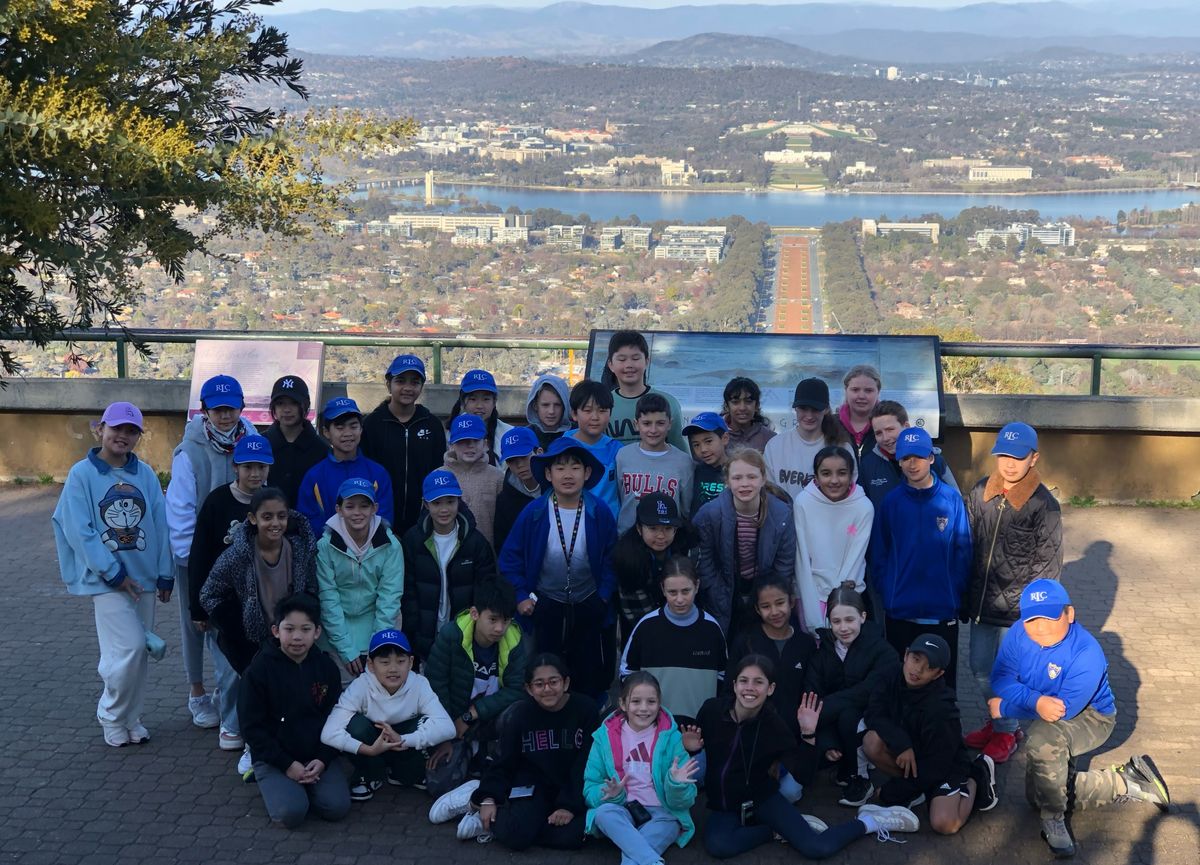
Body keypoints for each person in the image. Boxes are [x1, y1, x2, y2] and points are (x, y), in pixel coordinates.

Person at [989, 580, 1171, 857]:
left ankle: (1053, 819)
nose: (1040, 628)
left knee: (1042, 741)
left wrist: (1008, 708)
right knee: (1038, 795)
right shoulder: (1018, 633)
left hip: (1092, 716)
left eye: (1050, 618)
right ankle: (1127, 780)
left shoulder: (1088, 653)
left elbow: (1061, 712)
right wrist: (1035, 700)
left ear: (1069, 614)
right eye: (1032, 620)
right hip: (1047, 706)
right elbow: (1001, 678)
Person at [695, 656, 918, 859]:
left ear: (770, 689)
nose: (750, 688)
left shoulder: (774, 726)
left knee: (818, 848)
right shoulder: (711, 711)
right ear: (734, 685)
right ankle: (774, 831)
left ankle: (870, 821)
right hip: (725, 805)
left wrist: (808, 735)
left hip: (762, 799)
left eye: (758, 682)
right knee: (719, 845)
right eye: (744, 681)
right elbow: (691, 745)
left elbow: (803, 775)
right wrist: (691, 747)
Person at [52, 401, 173, 747]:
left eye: (131, 430)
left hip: (144, 577)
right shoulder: (82, 474)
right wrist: (111, 571)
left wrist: (165, 572)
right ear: (100, 429)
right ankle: (110, 714)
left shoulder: (145, 474)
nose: (123, 435)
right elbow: (78, 529)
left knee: (137, 655)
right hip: (107, 582)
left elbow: (160, 524)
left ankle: (131, 718)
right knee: (128, 648)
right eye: (117, 428)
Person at [200, 485, 318, 778]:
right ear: (252, 519)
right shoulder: (238, 555)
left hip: (289, 637)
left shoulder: (299, 550)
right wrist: (235, 626)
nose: (275, 523)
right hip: (253, 639)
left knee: (289, 693)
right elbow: (209, 593)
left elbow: (311, 587)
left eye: (281, 516)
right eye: (267, 517)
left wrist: (306, 619)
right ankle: (253, 747)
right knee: (258, 696)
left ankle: (288, 746)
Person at [964, 421, 1063, 765]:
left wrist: (1035, 614)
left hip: (1017, 612)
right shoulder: (981, 492)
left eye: (1018, 457)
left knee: (1007, 675)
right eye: (1003, 455)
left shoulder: (1044, 504)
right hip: (982, 605)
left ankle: (1005, 731)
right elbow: (966, 545)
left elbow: (1048, 564)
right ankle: (1001, 723)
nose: (1009, 464)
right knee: (979, 669)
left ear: (1033, 458)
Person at [166, 374, 255, 732]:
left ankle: (227, 691)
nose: (225, 416)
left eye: (231, 408)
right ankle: (197, 692)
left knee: (233, 625)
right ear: (204, 410)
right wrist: (195, 564)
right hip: (199, 553)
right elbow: (181, 511)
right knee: (196, 623)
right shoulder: (189, 452)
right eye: (217, 409)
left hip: (242, 554)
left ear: (241, 407)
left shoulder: (252, 439)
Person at [499, 437, 618, 700]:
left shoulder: (599, 511)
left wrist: (604, 595)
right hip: (544, 603)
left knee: (587, 672)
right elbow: (510, 559)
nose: (567, 475)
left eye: (575, 467)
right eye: (560, 468)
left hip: (589, 601)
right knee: (546, 668)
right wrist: (521, 595)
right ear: (548, 474)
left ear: (587, 473)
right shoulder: (534, 512)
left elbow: (612, 558)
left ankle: (588, 717)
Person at [445, 654, 599, 848]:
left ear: (566, 683)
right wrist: (488, 797)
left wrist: (568, 806)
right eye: (539, 684)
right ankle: (482, 809)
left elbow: (586, 763)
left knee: (576, 836)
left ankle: (502, 823)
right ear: (529, 689)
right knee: (516, 836)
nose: (547, 689)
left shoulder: (586, 710)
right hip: (532, 784)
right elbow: (504, 760)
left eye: (554, 682)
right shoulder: (521, 714)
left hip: (571, 785)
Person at [186, 433, 272, 749]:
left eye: (261, 467)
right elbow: (199, 555)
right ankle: (231, 723)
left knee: (258, 665)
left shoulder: (274, 500)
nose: (255, 474)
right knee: (229, 668)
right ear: (235, 467)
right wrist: (198, 607)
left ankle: (256, 721)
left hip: (263, 602)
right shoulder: (217, 502)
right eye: (248, 467)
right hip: (224, 603)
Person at [863, 634, 998, 834]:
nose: (917, 670)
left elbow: (939, 765)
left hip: (945, 765)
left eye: (929, 667)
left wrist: (897, 790)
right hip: (912, 753)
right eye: (916, 659)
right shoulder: (889, 675)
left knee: (945, 824)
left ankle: (977, 776)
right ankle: (915, 790)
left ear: (938, 674)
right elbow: (873, 712)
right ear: (906, 655)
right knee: (871, 741)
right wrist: (902, 744)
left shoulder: (941, 708)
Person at [237, 593, 350, 829]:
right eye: (289, 629)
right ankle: (271, 779)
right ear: (276, 631)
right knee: (291, 813)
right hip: (276, 757)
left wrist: (324, 758)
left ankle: (306, 783)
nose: (297, 637)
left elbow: (337, 717)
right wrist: (287, 765)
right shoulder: (258, 671)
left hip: (316, 755)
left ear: (317, 632)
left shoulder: (326, 667)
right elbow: (251, 728)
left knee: (336, 807)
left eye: (305, 629)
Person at [870, 427, 972, 688]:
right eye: (905, 458)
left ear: (931, 458)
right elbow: (879, 552)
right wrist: (888, 590)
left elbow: (963, 550)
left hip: (941, 610)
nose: (912, 464)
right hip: (900, 611)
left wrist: (954, 593)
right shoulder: (891, 503)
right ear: (898, 461)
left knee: (941, 682)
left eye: (918, 457)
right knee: (901, 680)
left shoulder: (951, 500)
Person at [320, 628, 456, 800]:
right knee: (356, 726)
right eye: (384, 662)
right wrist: (368, 750)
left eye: (400, 661)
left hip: (404, 743)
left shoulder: (419, 684)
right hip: (373, 744)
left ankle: (401, 773)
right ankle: (369, 774)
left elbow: (448, 727)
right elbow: (328, 733)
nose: (393, 669)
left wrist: (403, 739)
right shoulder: (360, 686)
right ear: (371, 664)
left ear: (410, 662)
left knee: (425, 723)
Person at [423, 579, 529, 799]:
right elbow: (435, 686)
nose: (500, 628)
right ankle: (470, 756)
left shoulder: (515, 640)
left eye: (506, 620)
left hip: (488, 719)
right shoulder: (451, 636)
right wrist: (445, 734)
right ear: (474, 614)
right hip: (453, 722)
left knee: (519, 711)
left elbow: (517, 689)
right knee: (439, 786)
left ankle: (493, 757)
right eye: (493, 619)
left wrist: (472, 714)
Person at [583, 672, 700, 865]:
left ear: (659, 703)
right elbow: (590, 788)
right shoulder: (604, 738)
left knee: (642, 847)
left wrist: (676, 785)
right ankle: (652, 861)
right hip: (622, 810)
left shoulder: (672, 738)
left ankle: (648, 860)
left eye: (651, 702)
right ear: (623, 704)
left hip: (662, 815)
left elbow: (683, 803)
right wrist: (611, 794)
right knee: (603, 813)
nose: (644, 708)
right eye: (636, 701)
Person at [803, 583, 898, 807]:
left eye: (850, 620)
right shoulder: (822, 653)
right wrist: (827, 741)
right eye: (836, 621)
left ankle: (860, 777)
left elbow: (869, 692)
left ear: (863, 617)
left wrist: (823, 709)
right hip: (834, 720)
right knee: (831, 715)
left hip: (876, 715)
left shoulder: (882, 650)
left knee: (848, 716)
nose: (843, 628)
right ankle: (845, 763)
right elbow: (812, 695)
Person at [694, 447, 795, 640]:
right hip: (725, 587)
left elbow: (784, 564)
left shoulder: (782, 514)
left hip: (763, 588)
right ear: (727, 481)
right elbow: (704, 560)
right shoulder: (710, 514)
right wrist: (715, 590)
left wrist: (771, 595)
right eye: (737, 478)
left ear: (763, 479)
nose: (745, 484)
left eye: (752, 477)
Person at [400, 469, 499, 661]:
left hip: (465, 633)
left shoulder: (476, 542)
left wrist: (473, 628)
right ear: (426, 504)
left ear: (459, 502)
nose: (444, 509)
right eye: (437, 503)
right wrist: (414, 629)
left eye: (450, 502)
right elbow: (407, 590)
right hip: (424, 635)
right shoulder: (412, 540)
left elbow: (485, 590)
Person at [315, 477, 405, 678]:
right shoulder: (324, 547)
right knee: (343, 688)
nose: (357, 512)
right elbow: (328, 599)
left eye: (364, 506)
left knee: (379, 688)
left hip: (378, 629)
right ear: (339, 510)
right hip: (336, 635)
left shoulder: (391, 546)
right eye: (350, 506)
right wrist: (345, 647)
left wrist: (378, 645)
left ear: (375, 509)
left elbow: (390, 597)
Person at [620, 557, 727, 726]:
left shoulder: (711, 629)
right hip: (654, 727)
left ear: (697, 586)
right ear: (663, 589)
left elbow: (723, 675)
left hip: (699, 728)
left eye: (686, 591)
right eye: (672, 592)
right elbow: (627, 673)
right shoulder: (646, 627)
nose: (679, 599)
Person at [361, 354, 448, 538]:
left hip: (424, 521)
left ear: (421, 386)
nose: (408, 388)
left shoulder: (432, 424)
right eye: (400, 381)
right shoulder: (372, 424)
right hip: (379, 519)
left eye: (415, 382)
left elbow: (439, 470)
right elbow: (365, 471)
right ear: (388, 384)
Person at [793, 446, 874, 633]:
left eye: (842, 473)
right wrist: (809, 601)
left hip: (848, 596)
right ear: (816, 477)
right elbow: (801, 557)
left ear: (852, 475)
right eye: (826, 473)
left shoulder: (863, 507)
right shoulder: (803, 502)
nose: (834, 480)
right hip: (810, 594)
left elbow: (855, 559)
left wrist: (839, 602)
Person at [297, 397, 394, 534]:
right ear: (326, 432)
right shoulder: (314, 476)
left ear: (361, 430)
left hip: (370, 547)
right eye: (340, 427)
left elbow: (384, 518)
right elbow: (307, 521)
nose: (348, 433)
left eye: (353, 426)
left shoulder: (378, 473)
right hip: (326, 547)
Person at [611, 492, 692, 640]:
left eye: (668, 528)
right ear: (639, 528)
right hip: (641, 629)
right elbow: (635, 613)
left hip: (683, 622)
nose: (661, 536)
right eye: (653, 528)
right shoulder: (627, 559)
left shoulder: (689, 549)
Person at [763, 377, 854, 504]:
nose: (809, 416)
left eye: (815, 409)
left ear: (826, 409)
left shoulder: (842, 447)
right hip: (785, 515)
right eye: (803, 408)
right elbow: (769, 492)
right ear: (795, 408)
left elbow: (849, 492)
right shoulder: (775, 445)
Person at [858, 400, 957, 513]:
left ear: (906, 426)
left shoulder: (934, 460)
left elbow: (956, 502)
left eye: (890, 430)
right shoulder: (868, 465)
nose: (885, 438)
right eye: (878, 433)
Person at [615, 392, 694, 534]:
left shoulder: (683, 461)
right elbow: (619, 497)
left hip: (666, 538)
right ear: (636, 424)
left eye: (660, 423)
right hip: (627, 536)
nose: (653, 430)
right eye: (646, 423)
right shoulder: (623, 455)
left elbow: (685, 508)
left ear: (670, 424)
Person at [602, 330, 685, 450]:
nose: (629, 365)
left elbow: (680, 451)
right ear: (610, 365)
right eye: (622, 359)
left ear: (646, 361)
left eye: (635, 358)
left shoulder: (669, 403)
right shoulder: (603, 405)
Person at [261, 375, 327, 509]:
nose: (287, 409)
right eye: (280, 403)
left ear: (305, 405)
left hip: (309, 519)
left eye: (294, 403)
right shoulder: (261, 444)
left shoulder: (321, 449)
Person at [562, 379, 622, 520]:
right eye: (587, 411)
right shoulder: (562, 448)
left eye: (602, 411)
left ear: (610, 413)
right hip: (573, 523)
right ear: (574, 414)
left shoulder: (617, 450)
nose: (595, 417)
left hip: (608, 525)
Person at [444, 413, 505, 549]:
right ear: (451, 445)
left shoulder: (497, 477)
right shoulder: (439, 476)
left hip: (487, 553)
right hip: (449, 552)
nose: (470, 446)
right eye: (463, 441)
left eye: (475, 440)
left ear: (485, 444)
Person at [494, 426, 545, 551]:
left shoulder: (558, 488)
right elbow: (503, 544)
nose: (519, 465)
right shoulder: (504, 500)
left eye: (524, 457)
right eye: (511, 460)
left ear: (539, 452)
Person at [449, 368, 512, 464]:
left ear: (494, 402)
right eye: (473, 399)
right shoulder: (452, 432)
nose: (479, 406)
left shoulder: (508, 434)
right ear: (462, 402)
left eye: (486, 399)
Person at [684, 411, 730, 514]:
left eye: (708, 441)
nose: (703, 449)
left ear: (725, 438)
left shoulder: (736, 471)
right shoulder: (693, 471)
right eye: (696, 445)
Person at [836, 365, 882, 460]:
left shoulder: (888, 426)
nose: (861, 396)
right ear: (846, 391)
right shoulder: (831, 424)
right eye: (855, 390)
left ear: (878, 392)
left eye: (868, 390)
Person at [720, 376, 775, 453]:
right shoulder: (716, 435)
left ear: (757, 405)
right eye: (735, 402)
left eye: (748, 401)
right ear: (726, 406)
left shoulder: (770, 438)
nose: (742, 408)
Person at [525, 373, 572, 449]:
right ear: (535, 406)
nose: (551, 411)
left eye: (557, 405)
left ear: (564, 406)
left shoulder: (576, 435)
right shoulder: (525, 436)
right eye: (545, 405)